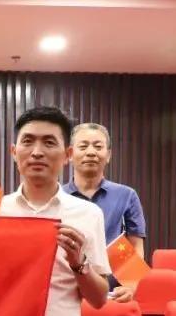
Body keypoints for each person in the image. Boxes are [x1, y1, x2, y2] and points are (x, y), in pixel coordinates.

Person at [0, 106, 109, 316]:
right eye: (28, 141)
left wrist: (78, 263)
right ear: (13, 151)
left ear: (67, 154)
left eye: (49, 142)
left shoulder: (88, 214)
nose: (37, 152)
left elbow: (99, 299)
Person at [63, 123, 148, 303]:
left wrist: (131, 286)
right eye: (83, 146)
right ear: (70, 154)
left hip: (112, 296)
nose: (91, 152)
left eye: (98, 146)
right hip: (66, 292)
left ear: (108, 155)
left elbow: (136, 246)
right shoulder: (58, 197)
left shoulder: (127, 195)